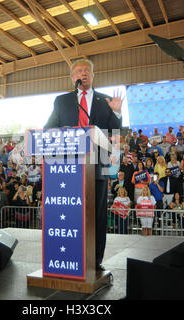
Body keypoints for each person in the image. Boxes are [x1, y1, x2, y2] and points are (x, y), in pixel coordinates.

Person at [44, 58, 123, 271]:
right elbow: (48, 129)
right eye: (79, 71)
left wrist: (116, 113)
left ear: (93, 75)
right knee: (71, 216)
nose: (83, 73)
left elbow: (114, 135)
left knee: (96, 216)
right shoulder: (62, 101)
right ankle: (69, 256)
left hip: (97, 166)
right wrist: (66, 132)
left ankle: (95, 260)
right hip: (67, 168)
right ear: (72, 77)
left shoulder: (106, 101)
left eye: (87, 70)